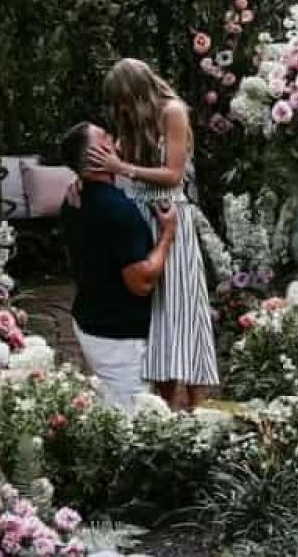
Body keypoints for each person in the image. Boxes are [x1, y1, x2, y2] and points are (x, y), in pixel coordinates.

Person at [86, 58, 219, 409]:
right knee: (154, 315)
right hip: (138, 217)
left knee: (183, 309)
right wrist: (80, 181)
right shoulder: (131, 121)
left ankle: (197, 406)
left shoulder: (173, 112)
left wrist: (122, 168)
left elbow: (174, 174)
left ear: (137, 92)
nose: (119, 110)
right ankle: (164, 404)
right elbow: (104, 162)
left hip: (168, 214)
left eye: (122, 101)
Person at [59, 121, 178, 412]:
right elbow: (141, 281)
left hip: (91, 320)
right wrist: (167, 235)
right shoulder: (116, 210)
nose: (113, 139)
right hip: (117, 336)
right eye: (105, 137)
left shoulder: (74, 200)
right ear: (98, 154)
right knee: (131, 418)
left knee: (107, 407)